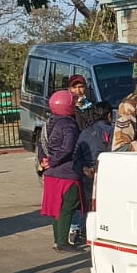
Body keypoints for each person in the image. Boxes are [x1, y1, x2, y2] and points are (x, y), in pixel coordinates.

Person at [37, 89, 83, 253]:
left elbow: (40, 145)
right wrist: (54, 161)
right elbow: (68, 148)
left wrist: (44, 161)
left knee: (56, 207)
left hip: (50, 173)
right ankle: (63, 242)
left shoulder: (48, 123)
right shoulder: (69, 125)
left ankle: (58, 240)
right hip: (66, 172)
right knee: (68, 206)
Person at [72, 101, 115, 244]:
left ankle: (84, 232)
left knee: (88, 205)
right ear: (109, 116)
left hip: (86, 174)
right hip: (104, 173)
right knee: (105, 205)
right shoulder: (112, 131)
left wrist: (84, 169)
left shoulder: (84, 132)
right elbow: (114, 153)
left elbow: (76, 155)